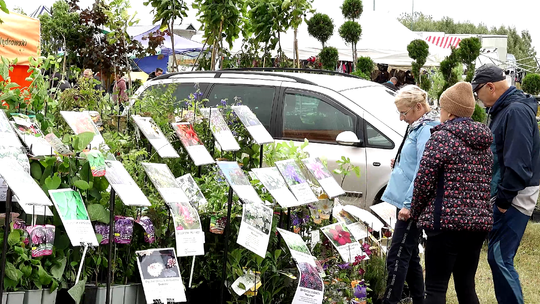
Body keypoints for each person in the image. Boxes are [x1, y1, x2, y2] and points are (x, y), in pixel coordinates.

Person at [410, 82, 494, 304]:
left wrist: (416, 213)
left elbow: (423, 182)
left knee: (436, 288)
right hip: (477, 226)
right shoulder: (484, 144)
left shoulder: (441, 138)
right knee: (466, 286)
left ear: (450, 111)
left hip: (445, 225)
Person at [471, 64, 540, 304]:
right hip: (510, 194)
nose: (477, 99)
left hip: (514, 197)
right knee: (498, 257)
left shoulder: (515, 111)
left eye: (476, 92)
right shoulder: (506, 108)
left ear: (489, 87)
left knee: (500, 257)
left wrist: (502, 201)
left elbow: (518, 163)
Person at [381, 85, 439, 304]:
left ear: (418, 106)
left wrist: (409, 204)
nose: (401, 118)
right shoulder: (418, 125)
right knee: (411, 255)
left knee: (396, 256)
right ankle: (419, 299)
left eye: (404, 112)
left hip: (412, 202)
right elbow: (414, 160)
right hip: (408, 198)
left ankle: (390, 300)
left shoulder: (426, 129)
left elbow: (423, 170)